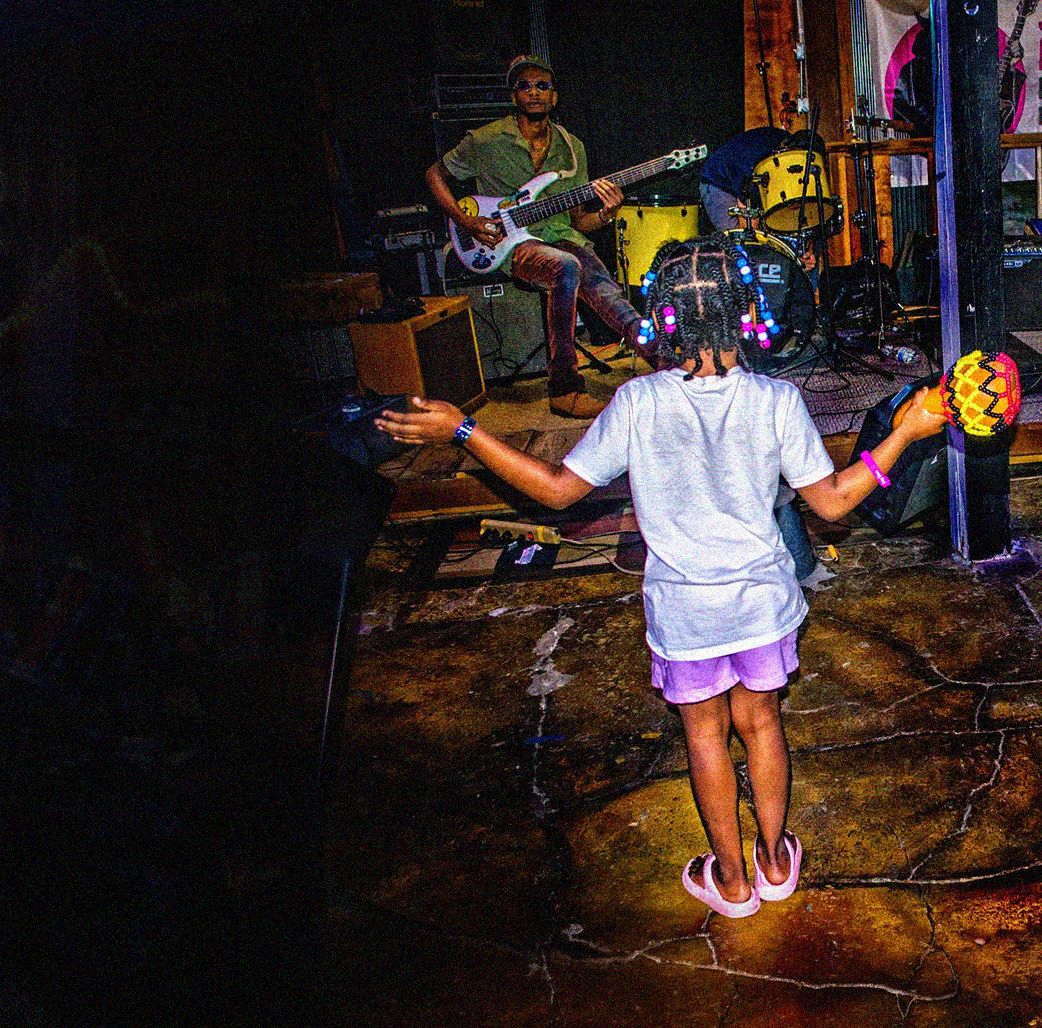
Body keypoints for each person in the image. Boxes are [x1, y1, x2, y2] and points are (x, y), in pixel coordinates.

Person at [375, 235, 948, 916]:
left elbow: (558, 491)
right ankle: (773, 861)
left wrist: (465, 431)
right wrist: (907, 430)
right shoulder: (776, 400)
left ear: (662, 319)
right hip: (761, 605)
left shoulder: (638, 402)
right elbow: (830, 504)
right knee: (762, 725)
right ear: (749, 312)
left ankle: (731, 883)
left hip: (685, 615)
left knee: (704, 736)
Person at [426, 55, 641, 419]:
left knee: (605, 288)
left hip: (560, 235)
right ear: (514, 97)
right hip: (509, 244)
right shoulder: (485, 140)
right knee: (566, 266)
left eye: (543, 86)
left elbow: (579, 221)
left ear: (554, 96)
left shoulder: (572, 147)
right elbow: (434, 175)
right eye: (525, 86)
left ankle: (668, 360)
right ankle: (563, 387)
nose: (534, 93)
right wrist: (466, 222)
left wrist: (606, 213)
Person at [699, 128, 824, 585]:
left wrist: (798, 248)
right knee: (737, 259)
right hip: (721, 186)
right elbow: (831, 500)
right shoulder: (774, 153)